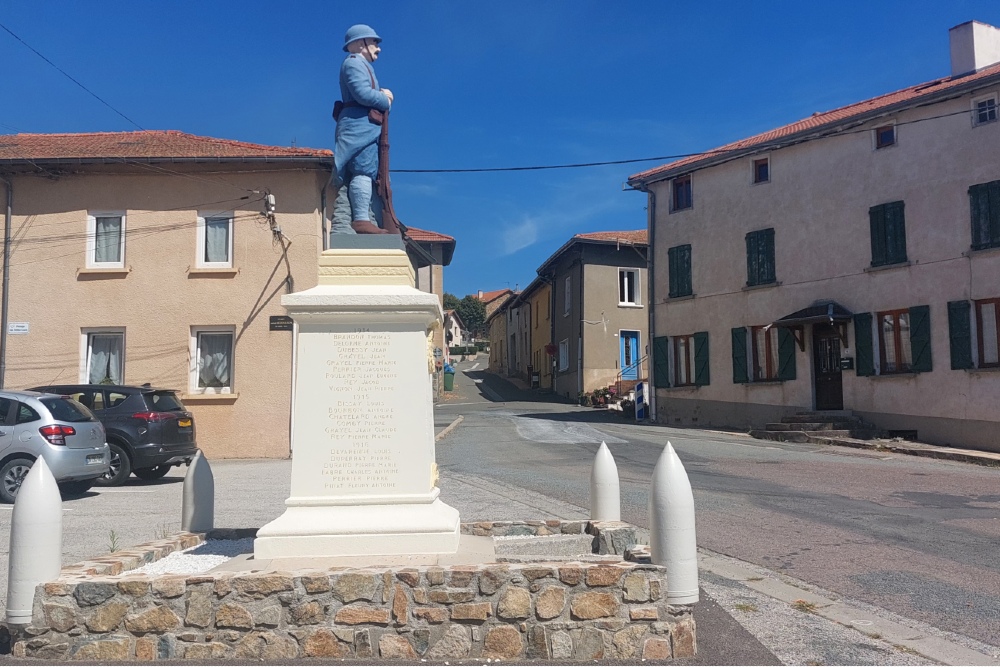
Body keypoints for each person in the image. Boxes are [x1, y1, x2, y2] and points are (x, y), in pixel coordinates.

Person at [332, 24, 393, 234]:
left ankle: (365, 217)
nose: (378, 47)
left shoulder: (360, 64)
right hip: (359, 127)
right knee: (363, 170)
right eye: (374, 42)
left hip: (365, 126)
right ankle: (361, 219)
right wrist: (385, 99)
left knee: (368, 170)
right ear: (360, 43)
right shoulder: (353, 63)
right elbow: (363, 94)